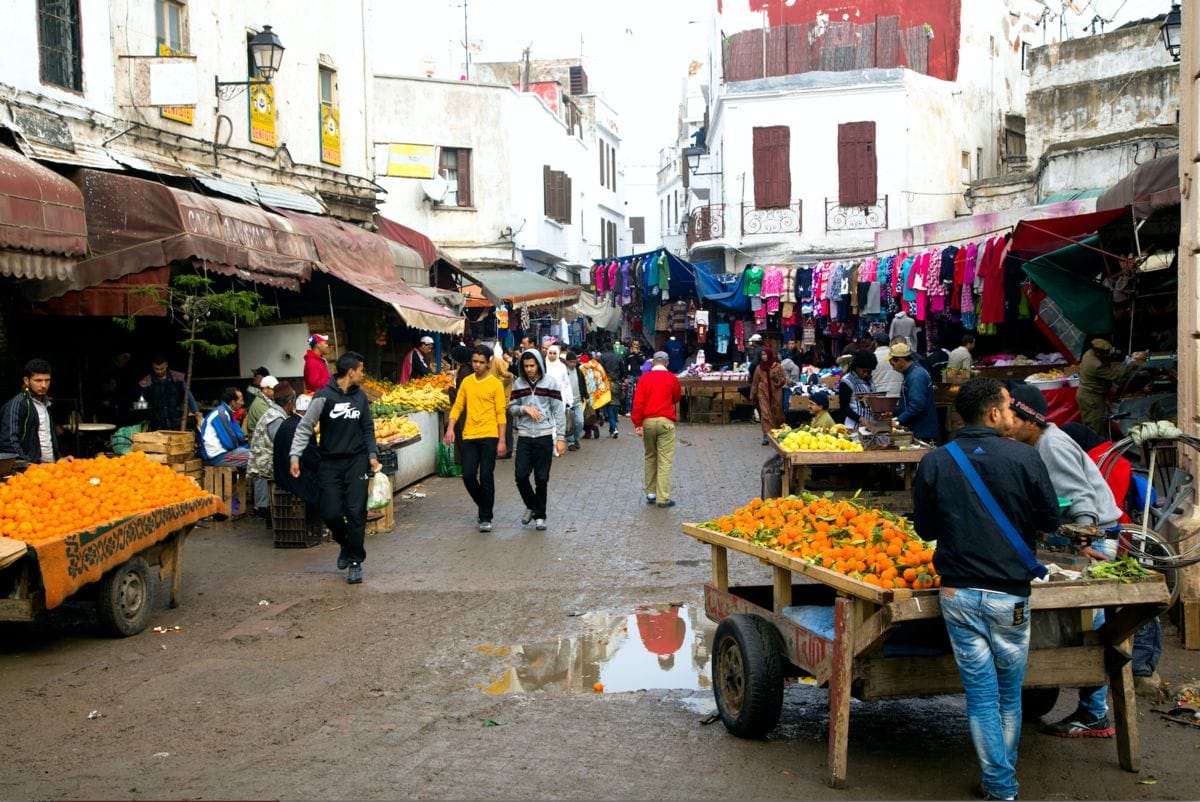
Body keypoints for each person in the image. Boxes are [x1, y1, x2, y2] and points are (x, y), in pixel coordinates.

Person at [912, 377, 1060, 802]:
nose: (1014, 413)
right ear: (994, 413)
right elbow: (1050, 520)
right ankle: (1000, 782)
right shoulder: (1024, 458)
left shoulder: (936, 461)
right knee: (1008, 694)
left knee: (980, 696)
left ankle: (1000, 784)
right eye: (1010, 406)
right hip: (1010, 598)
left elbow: (924, 528)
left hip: (958, 595)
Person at [1006, 384, 1122, 739]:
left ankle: (1093, 711)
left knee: (1089, 619)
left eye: (1012, 417)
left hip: (1093, 540)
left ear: (1030, 420)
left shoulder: (1051, 446)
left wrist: (1084, 541)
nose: (1006, 425)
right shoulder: (1035, 444)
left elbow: (1080, 498)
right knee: (1075, 620)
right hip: (1078, 539)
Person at [290, 351, 380, 585]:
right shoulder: (323, 396)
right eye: (361, 370)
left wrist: (372, 454)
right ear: (351, 372)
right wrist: (294, 456)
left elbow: (368, 428)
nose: (362, 374)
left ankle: (355, 562)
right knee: (329, 512)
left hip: (356, 461)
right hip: (329, 463)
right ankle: (345, 542)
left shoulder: (360, 397)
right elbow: (305, 427)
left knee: (355, 512)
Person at [443, 345, 508, 532]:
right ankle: (484, 504)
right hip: (469, 435)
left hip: (489, 436)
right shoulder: (467, 382)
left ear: (488, 363)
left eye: (481, 362)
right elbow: (458, 406)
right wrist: (450, 427)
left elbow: (500, 414)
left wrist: (502, 440)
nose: (477, 365)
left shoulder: (495, 384)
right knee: (469, 475)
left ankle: (485, 517)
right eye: (474, 362)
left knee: (486, 475)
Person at [508, 348, 567, 531]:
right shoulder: (518, 384)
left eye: (532, 365)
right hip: (525, 436)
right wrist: (523, 409)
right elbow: (511, 407)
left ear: (539, 364)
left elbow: (558, 410)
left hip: (544, 436)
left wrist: (561, 438)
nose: (529, 369)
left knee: (542, 479)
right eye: (525, 366)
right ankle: (533, 505)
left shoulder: (551, 383)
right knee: (520, 476)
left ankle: (540, 516)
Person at [632, 351, 681, 508]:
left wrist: (637, 424)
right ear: (667, 363)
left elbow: (638, 403)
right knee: (665, 460)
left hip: (647, 421)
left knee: (650, 456)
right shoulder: (672, 378)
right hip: (666, 421)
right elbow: (676, 397)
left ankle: (651, 492)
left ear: (653, 363)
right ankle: (663, 497)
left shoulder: (644, 379)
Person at [1077, 338, 1148, 437]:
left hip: (1089, 395)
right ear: (1098, 353)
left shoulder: (1089, 352)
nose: (1107, 355)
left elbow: (1109, 356)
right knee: (1095, 426)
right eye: (1105, 353)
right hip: (1091, 398)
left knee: (1094, 424)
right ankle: (1096, 448)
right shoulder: (1096, 365)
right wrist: (1130, 363)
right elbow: (1115, 376)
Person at [1, 358, 67, 463]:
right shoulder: (18, 404)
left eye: (47, 380)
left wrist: (59, 458)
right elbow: (9, 442)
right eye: (38, 380)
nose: (44, 385)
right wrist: (30, 465)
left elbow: (47, 438)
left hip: (52, 469)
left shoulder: (46, 403)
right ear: (26, 381)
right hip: (30, 472)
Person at [247, 380, 293, 525]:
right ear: (289, 402)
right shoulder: (276, 418)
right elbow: (282, 446)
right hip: (266, 465)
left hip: (266, 461)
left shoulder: (274, 413)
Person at [273, 392, 321, 519]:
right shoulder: (304, 428)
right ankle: (315, 523)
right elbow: (312, 460)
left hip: (281, 474)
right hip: (295, 477)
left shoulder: (286, 423)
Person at [889, 342, 939, 443]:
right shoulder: (912, 373)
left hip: (922, 432)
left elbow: (917, 404)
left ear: (901, 360)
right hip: (918, 430)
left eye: (893, 364)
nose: (892, 368)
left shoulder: (916, 376)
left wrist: (898, 421)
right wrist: (895, 413)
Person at [139, 355, 201, 431]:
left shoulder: (177, 377)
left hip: (177, 420)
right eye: (156, 369)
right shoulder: (146, 381)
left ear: (166, 365)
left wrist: (196, 411)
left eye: (162, 368)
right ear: (153, 366)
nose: (159, 371)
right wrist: (140, 414)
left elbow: (188, 394)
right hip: (158, 423)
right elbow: (141, 402)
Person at [199, 387, 250, 467]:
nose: (243, 403)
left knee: (257, 454)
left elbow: (239, 436)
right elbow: (229, 443)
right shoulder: (221, 414)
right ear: (233, 402)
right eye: (240, 400)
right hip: (219, 456)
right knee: (258, 458)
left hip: (225, 452)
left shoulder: (227, 412)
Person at [749, 348, 786, 446]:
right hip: (763, 393)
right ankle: (766, 434)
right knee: (765, 413)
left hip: (776, 393)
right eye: (762, 355)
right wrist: (752, 395)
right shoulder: (759, 368)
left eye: (765, 355)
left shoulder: (778, 367)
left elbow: (783, 380)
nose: (763, 357)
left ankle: (777, 434)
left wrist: (776, 379)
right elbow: (755, 383)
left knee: (777, 413)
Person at [837, 350, 877, 427]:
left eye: (869, 371)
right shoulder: (847, 381)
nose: (866, 374)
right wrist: (860, 419)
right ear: (856, 366)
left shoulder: (868, 379)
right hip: (854, 425)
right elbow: (844, 407)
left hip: (870, 424)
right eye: (864, 371)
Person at [562, 352, 589, 446]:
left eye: (574, 362)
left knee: (580, 422)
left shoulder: (579, 371)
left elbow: (583, 384)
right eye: (571, 362)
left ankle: (576, 438)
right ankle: (570, 442)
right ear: (566, 362)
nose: (573, 364)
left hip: (578, 401)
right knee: (570, 423)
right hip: (568, 403)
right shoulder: (563, 371)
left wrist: (586, 396)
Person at [622, 339, 645, 415]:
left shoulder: (641, 353)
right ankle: (628, 411)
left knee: (640, 394)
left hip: (639, 375)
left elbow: (642, 362)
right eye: (634, 344)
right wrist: (625, 377)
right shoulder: (628, 353)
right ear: (631, 345)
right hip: (630, 375)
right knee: (629, 394)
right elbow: (625, 365)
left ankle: (639, 410)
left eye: (637, 344)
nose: (635, 346)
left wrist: (637, 354)